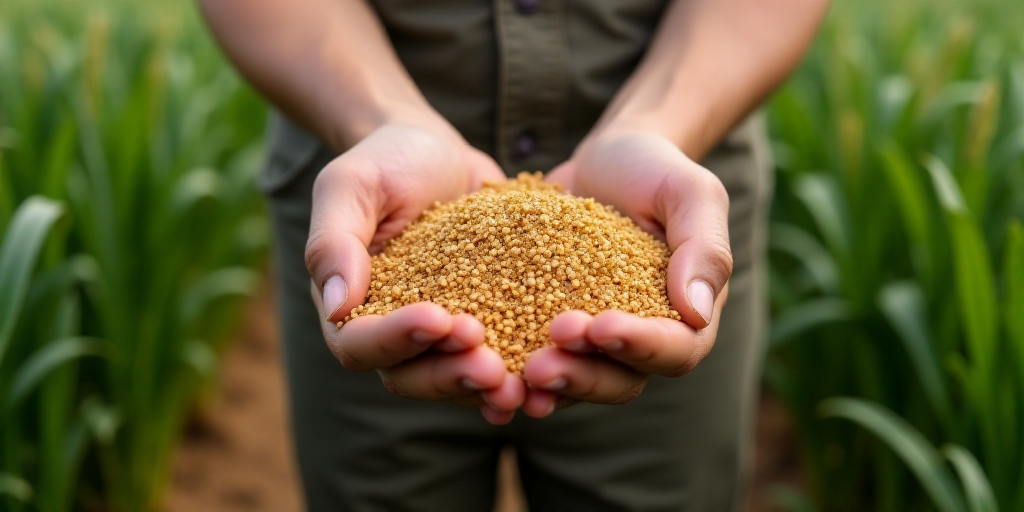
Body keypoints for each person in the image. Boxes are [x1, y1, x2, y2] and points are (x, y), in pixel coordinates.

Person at [200, 0, 827, 509]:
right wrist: (377, 116)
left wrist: (658, 124)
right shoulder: (387, 237)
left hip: (667, 207)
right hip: (375, 211)